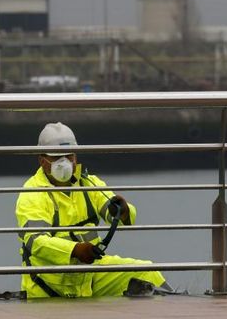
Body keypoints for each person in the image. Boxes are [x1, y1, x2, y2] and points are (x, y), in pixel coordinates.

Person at [15, 122, 170, 298]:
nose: (65, 162)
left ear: (76, 156)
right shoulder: (32, 193)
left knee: (146, 272)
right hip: (49, 283)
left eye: (69, 156)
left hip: (89, 275)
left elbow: (121, 217)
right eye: (57, 157)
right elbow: (36, 243)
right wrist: (76, 250)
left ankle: (174, 305)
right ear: (42, 161)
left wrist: (124, 211)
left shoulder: (89, 183)